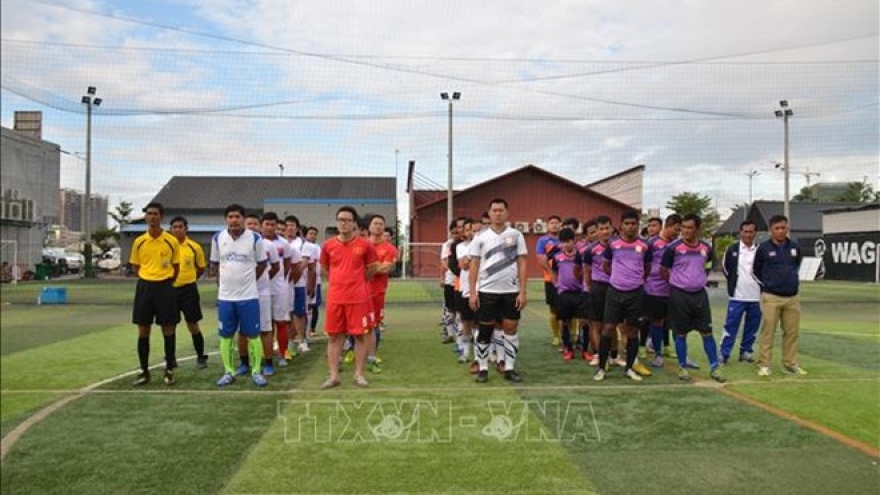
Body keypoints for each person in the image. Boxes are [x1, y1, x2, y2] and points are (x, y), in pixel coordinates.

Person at [469, 198, 528, 384]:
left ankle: (509, 367)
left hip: (511, 291)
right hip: (487, 292)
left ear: (507, 213)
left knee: (511, 328)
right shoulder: (480, 237)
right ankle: (483, 368)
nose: (498, 213)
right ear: (489, 213)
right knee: (485, 330)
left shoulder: (517, 235)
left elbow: (522, 263)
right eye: (494, 210)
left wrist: (523, 291)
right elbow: (474, 265)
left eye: (501, 210)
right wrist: (472, 292)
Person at [661, 213, 725, 383]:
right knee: (680, 334)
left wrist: (698, 279)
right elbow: (663, 270)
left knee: (707, 332)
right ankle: (682, 368)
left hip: (700, 296)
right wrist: (678, 283)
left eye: (689, 228)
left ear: (697, 229)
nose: (685, 231)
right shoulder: (672, 248)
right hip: (679, 296)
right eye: (683, 227)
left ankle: (714, 368)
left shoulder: (706, 248)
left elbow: (708, 267)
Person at [320, 206, 379, 389]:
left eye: (347, 220)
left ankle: (359, 375)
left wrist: (357, 283)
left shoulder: (365, 245)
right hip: (336, 298)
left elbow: (372, 269)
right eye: (340, 220)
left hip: (358, 298)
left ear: (354, 223)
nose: (343, 223)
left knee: (359, 337)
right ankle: (334, 376)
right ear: (336, 222)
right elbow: (325, 270)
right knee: (334, 338)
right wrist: (339, 283)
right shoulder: (328, 245)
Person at [211, 204, 269, 388]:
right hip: (226, 298)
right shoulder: (218, 238)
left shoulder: (255, 238)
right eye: (230, 217)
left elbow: (262, 264)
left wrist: (249, 281)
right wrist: (223, 285)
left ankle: (256, 372)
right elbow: (214, 265)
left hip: (249, 296)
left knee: (253, 334)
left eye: (237, 216)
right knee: (226, 336)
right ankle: (228, 372)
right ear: (226, 219)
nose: (234, 220)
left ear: (243, 219)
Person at [594, 210, 650, 382]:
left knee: (632, 331)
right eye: (627, 224)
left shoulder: (645, 246)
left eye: (633, 223)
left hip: (636, 293)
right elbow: (606, 266)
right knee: (608, 328)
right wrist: (619, 279)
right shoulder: (613, 245)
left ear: (638, 226)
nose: (630, 227)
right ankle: (602, 368)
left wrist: (634, 280)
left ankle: (629, 368)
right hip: (614, 292)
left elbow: (647, 268)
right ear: (621, 226)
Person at [129, 202, 181, 386]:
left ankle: (169, 370)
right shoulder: (139, 241)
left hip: (165, 287)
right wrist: (148, 277)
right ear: (146, 217)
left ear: (161, 217)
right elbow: (136, 266)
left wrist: (164, 280)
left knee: (168, 328)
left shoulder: (171, 241)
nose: (152, 217)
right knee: (143, 330)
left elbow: (176, 266)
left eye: (155, 214)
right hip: (145, 287)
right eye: (149, 214)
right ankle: (144, 371)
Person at [753, 215, 807, 377]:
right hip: (771, 297)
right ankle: (764, 364)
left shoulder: (795, 247)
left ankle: (790, 363)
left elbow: (796, 266)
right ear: (771, 230)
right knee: (768, 331)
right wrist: (767, 286)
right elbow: (756, 271)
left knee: (792, 332)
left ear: (788, 229)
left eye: (784, 228)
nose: (781, 231)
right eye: (777, 228)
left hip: (792, 297)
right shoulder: (763, 248)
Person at [169, 215, 208, 369]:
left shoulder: (194, 246)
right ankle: (170, 358)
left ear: (186, 229)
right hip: (169, 291)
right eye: (175, 227)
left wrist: (189, 279)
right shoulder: (166, 246)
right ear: (170, 229)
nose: (178, 229)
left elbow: (200, 268)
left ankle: (200, 356)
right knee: (169, 325)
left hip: (189, 289)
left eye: (181, 227)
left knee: (193, 323)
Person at [720, 220, 762, 365]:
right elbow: (725, 268)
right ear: (740, 233)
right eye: (745, 231)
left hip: (756, 297)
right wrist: (733, 283)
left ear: (755, 233)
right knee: (731, 326)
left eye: (751, 232)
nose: (748, 235)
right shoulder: (732, 249)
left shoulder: (760, 250)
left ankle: (746, 352)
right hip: (737, 296)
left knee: (752, 326)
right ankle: (724, 354)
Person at [244, 214, 280, 377]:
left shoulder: (268, 245)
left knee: (265, 328)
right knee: (243, 330)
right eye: (248, 223)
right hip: (242, 293)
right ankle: (245, 363)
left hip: (262, 292)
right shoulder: (236, 245)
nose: (251, 226)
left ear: (260, 226)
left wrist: (262, 280)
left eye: (254, 223)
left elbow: (276, 267)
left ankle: (268, 363)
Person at [643, 214, 682, 368]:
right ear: (668, 225)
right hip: (654, 289)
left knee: (676, 322)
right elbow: (643, 263)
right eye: (676, 230)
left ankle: (681, 356)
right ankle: (657, 354)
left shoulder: (677, 244)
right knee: (656, 321)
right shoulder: (651, 243)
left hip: (673, 289)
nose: (677, 234)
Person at [262, 212, 295, 367]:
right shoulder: (256, 242)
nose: (270, 227)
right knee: (264, 324)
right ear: (262, 225)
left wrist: (281, 279)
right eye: (267, 224)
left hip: (279, 288)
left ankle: (283, 353)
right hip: (260, 289)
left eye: (272, 225)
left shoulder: (283, 243)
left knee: (280, 322)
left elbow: (287, 263)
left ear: (276, 226)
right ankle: (266, 353)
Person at [366, 214, 398, 374]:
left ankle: (371, 357)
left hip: (377, 292)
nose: (378, 226)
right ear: (369, 227)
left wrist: (368, 268)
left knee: (374, 325)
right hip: (358, 290)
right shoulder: (363, 245)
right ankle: (354, 350)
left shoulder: (390, 249)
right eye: (375, 223)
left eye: (381, 223)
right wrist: (376, 266)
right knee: (354, 325)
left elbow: (386, 268)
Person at [582, 216, 613, 367]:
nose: (605, 231)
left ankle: (613, 355)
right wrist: (589, 288)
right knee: (596, 324)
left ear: (612, 229)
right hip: (597, 288)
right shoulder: (590, 250)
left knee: (612, 324)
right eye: (601, 229)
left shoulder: (618, 246)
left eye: (607, 228)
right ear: (597, 231)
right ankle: (599, 355)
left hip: (615, 288)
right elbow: (586, 271)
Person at [550, 228, 583, 361]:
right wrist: (557, 287)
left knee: (583, 321)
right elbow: (553, 274)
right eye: (563, 242)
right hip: (564, 293)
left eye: (568, 241)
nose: (565, 245)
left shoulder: (580, 256)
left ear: (573, 241)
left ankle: (584, 347)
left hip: (579, 293)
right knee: (565, 322)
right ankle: (568, 348)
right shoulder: (557, 257)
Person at [535, 215, 563, 348]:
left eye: (557, 223)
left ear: (561, 225)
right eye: (551, 223)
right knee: (554, 308)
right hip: (550, 279)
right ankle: (556, 336)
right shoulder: (543, 240)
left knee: (570, 308)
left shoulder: (565, 239)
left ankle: (572, 335)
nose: (554, 225)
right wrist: (551, 273)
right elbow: (541, 259)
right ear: (547, 225)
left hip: (567, 280)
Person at [455, 218, 477, 369]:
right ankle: (465, 352)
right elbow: (464, 264)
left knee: (482, 324)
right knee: (467, 323)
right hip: (466, 289)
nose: (471, 233)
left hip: (482, 289)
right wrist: (475, 259)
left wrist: (472, 260)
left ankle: (481, 355)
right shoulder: (461, 246)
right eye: (468, 229)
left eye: (474, 230)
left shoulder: (486, 245)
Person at [305, 226, 323, 338]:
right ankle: (304, 330)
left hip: (317, 280)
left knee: (315, 305)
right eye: (310, 233)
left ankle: (312, 328)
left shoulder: (318, 248)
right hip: (305, 280)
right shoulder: (304, 247)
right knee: (306, 306)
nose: (312, 235)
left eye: (314, 234)